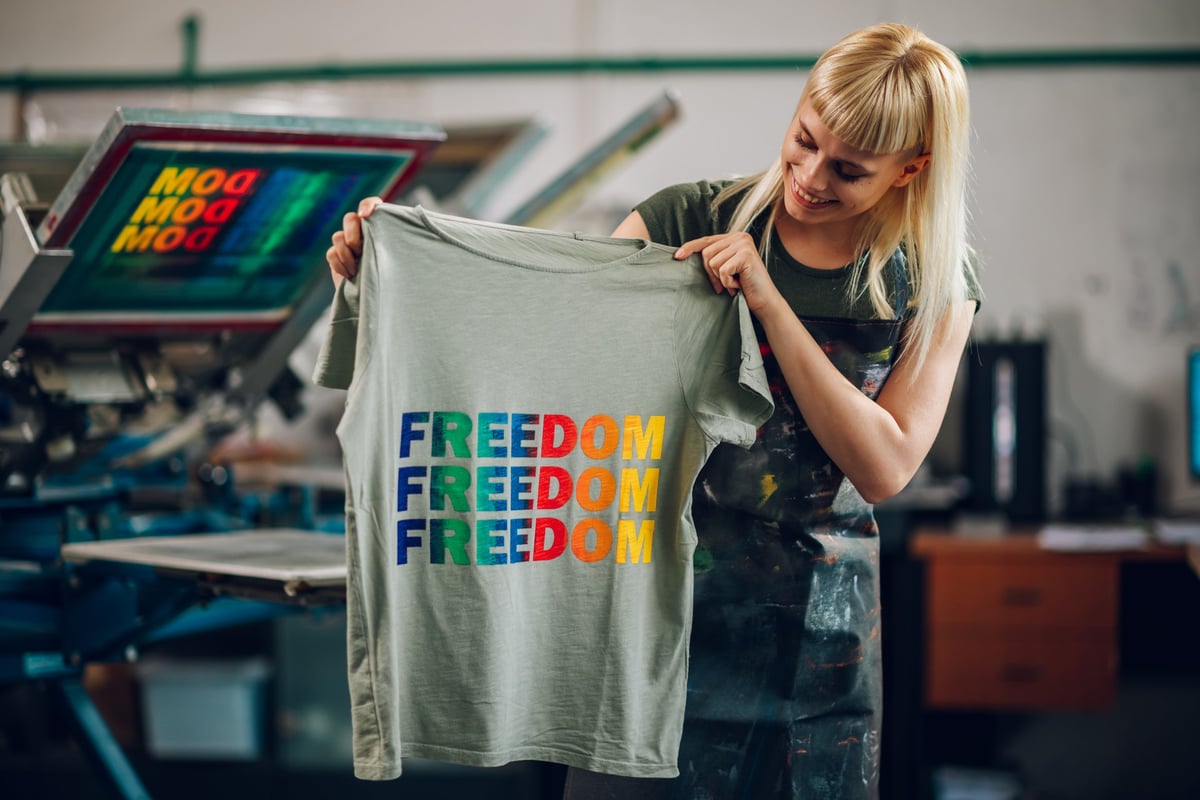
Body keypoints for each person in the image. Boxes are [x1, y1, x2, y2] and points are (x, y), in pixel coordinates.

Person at [326, 21, 979, 800]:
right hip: (646, 623)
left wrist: (768, 306)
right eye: (803, 139)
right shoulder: (684, 221)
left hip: (815, 641)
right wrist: (402, 277)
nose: (808, 175)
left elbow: (885, 464)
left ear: (912, 170)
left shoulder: (934, 276)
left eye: (849, 170)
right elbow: (546, 348)